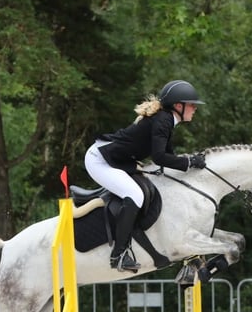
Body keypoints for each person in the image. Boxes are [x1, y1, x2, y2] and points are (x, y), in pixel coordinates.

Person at [84, 79, 207, 272]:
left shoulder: (166, 120)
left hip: (117, 159)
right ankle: (119, 254)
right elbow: (159, 157)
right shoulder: (163, 120)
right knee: (135, 195)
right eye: (192, 105)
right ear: (178, 106)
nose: (195, 109)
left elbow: (169, 156)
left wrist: (189, 163)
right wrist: (189, 162)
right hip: (100, 160)